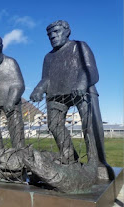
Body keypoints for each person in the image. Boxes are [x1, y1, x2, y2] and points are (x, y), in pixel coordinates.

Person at [30, 20, 113, 179]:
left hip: (81, 90)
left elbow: (91, 69)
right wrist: (38, 89)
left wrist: (81, 83)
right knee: (54, 124)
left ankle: (97, 162)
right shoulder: (48, 57)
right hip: (56, 94)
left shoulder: (80, 46)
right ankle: (69, 157)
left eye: (56, 32)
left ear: (67, 31)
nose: (52, 36)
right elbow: (46, 78)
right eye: (49, 35)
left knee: (90, 125)